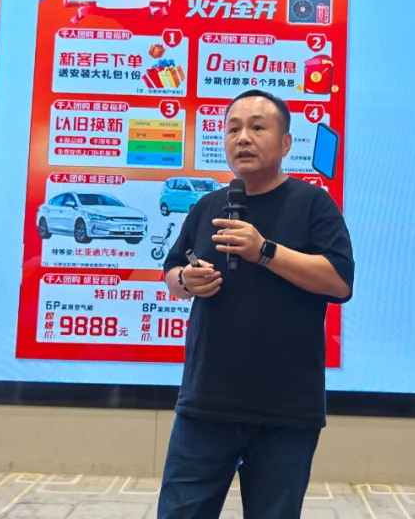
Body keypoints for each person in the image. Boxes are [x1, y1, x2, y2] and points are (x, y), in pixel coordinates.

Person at [156, 89, 355, 518]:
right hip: (206, 402)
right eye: (233, 129)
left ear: (285, 143)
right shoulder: (208, 205)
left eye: (257, 127)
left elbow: (339, 282)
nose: (242, 138)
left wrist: (264, 251)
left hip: (285, 409)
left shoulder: (313, 203)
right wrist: (187, 281)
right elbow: (172, 271)